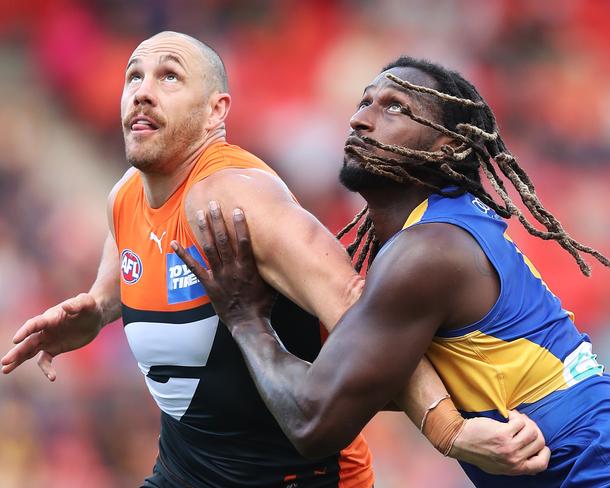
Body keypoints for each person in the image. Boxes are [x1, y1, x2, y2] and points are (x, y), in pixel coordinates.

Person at [1, 33, 549, 487]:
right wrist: (95, 311)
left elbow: (356, 308)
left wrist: (448, 431)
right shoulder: (126, 193)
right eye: (133, 77)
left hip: (291, 478)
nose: (142, 92)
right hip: (186, 471)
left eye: (169, 76)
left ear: (217, 111)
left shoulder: (236, 196)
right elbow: (124, 272)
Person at [173, 56, 610, 487]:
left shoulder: (428, 251)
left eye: (394, 107)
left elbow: (312, 424)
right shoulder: (438, 234)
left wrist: (244, 318)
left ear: (448, 147)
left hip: (607, 464)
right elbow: (372, 382)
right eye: (363, 103)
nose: (361, 120)